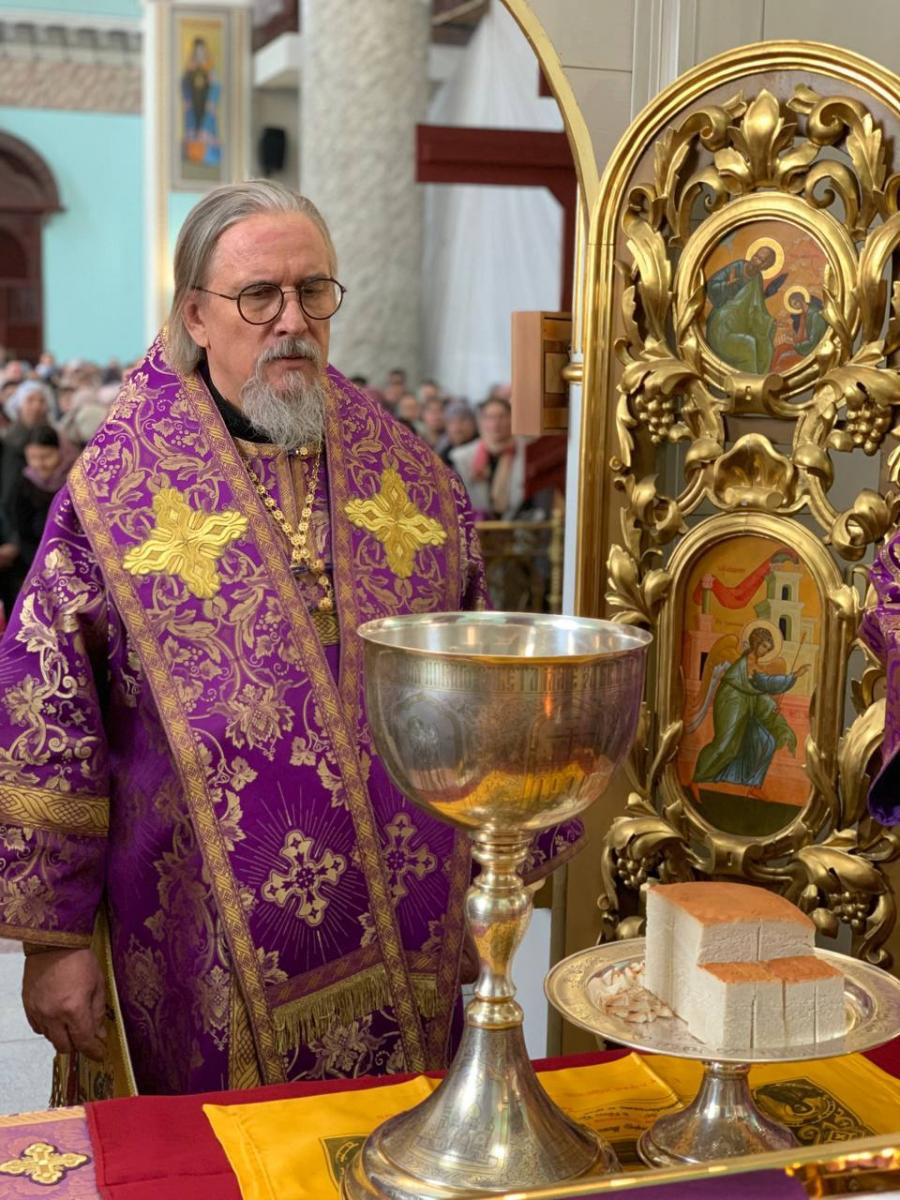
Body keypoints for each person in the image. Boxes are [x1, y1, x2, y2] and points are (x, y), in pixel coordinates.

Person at [0, 180, 581, 1098]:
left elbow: (479, 687)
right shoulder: (115, 491)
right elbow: (47, 712)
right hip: (194, 943)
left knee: (396, 1140)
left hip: (412, 928)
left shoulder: (410, 474)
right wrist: (54, 939)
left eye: (313, 291)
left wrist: (495, 875)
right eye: (258, 296)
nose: (293, 322)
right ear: (196, 315)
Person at [692, 626, 807, 790]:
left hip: (746, 706)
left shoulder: (756, 666)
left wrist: (770, 706)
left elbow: (759, 689)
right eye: (764, 646)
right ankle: (697, 778)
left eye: (768, 649)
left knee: (766, 741)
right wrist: (793, 676)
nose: (765, 652)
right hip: (731, 702)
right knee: (724, 746)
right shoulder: (747, 663)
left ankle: (752, 785)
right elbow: (766, 684)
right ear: (756, 642)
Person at [705, 245, 786, 375]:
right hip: (722, 325)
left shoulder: (757, 279)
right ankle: (748, 382)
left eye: (762, 260)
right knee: (749, 344)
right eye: (756, 256)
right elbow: (710, 286)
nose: (756, 261)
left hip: (740, 325)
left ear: (766, 267)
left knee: (766, 347)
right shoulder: (736, 267)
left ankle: (761, 381)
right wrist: (726, 286)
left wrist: (771, 322)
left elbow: (758, 309)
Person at [450, 396, 526, 519]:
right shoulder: (461, 457)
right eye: (489, 418)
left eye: (502, 417)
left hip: (519, 524)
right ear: (481, 422)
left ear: (512, 419)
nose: (495, 424)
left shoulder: (525, 453)